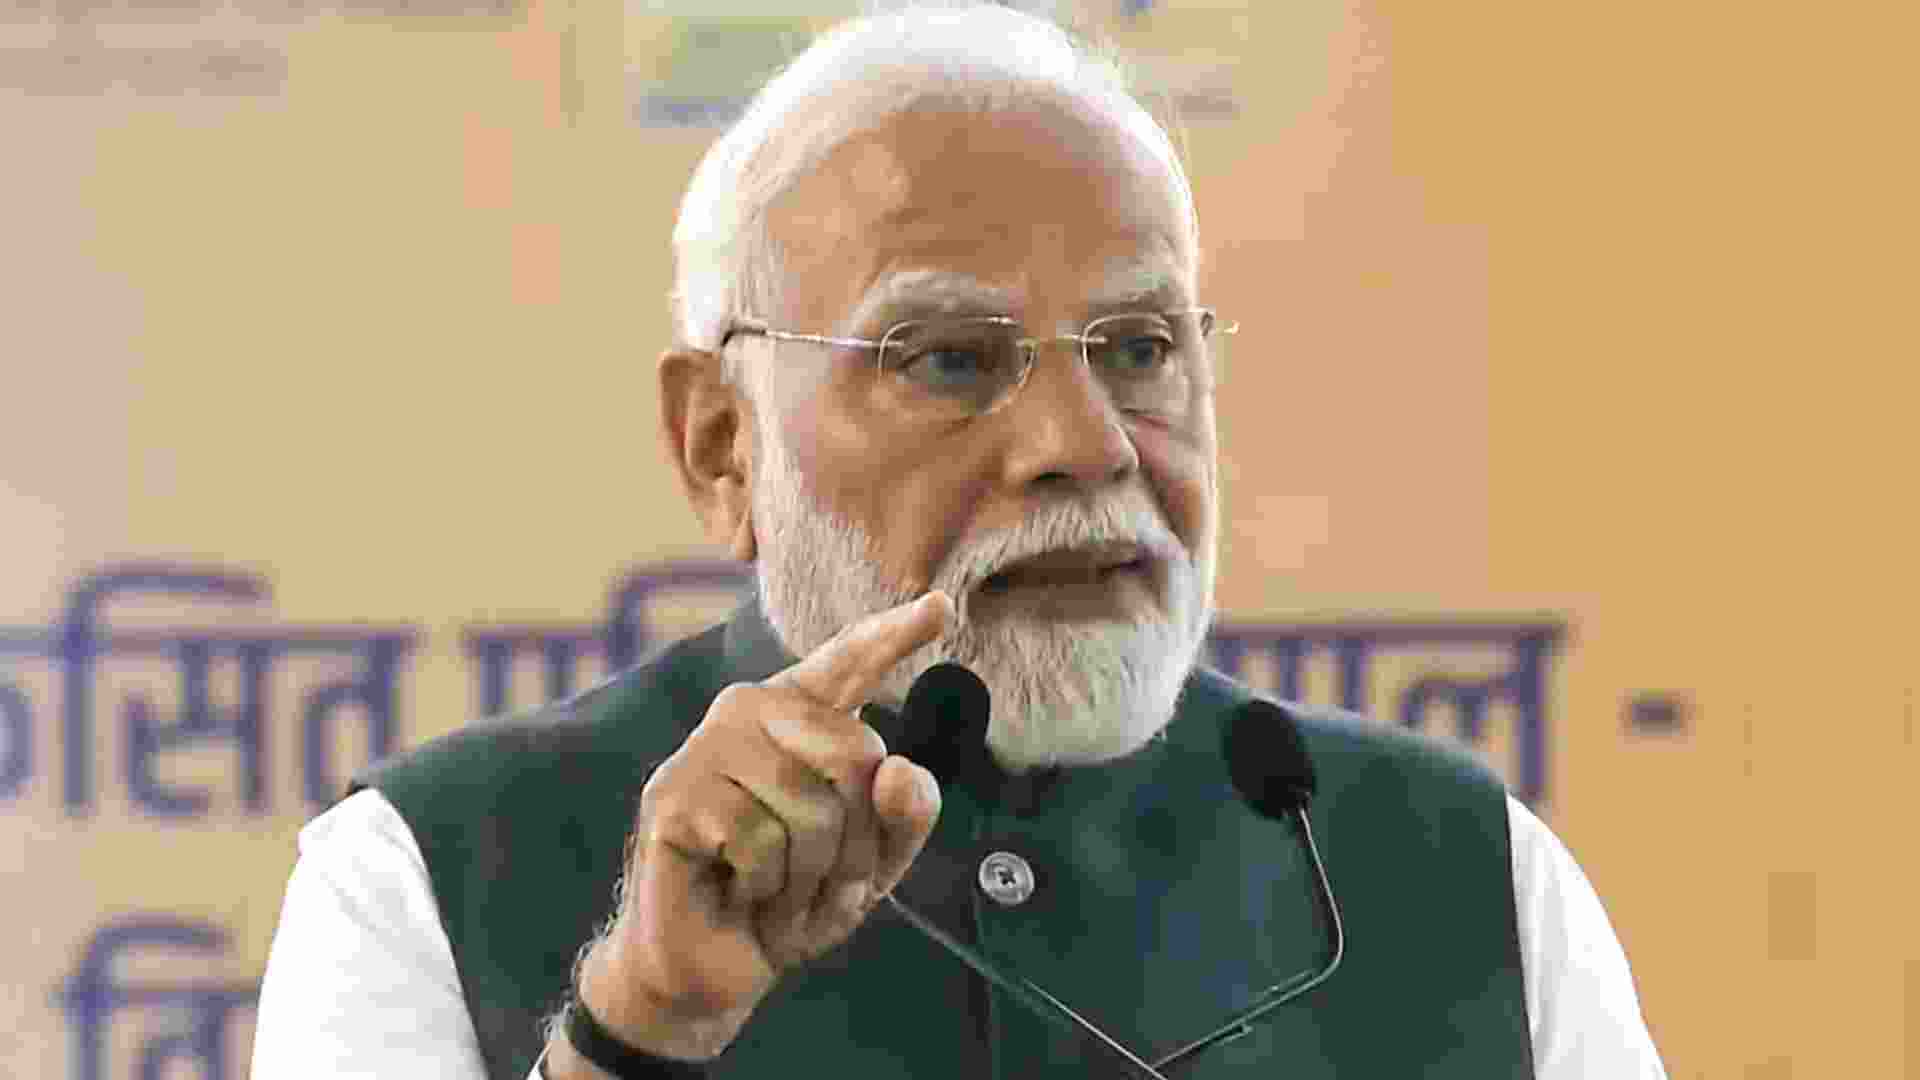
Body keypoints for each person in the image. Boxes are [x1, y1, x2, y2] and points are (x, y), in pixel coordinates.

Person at [250, 4, 1668, 1077]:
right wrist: (638, 1033)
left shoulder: (1449, 868)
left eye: (1137, 346)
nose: (1088, 442)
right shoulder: (428, 872)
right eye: (946, 357)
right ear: (719, 444)